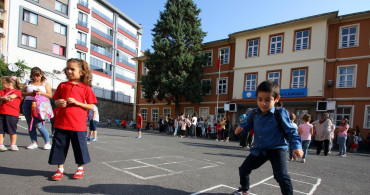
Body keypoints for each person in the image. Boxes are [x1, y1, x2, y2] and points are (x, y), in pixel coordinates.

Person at [233, 80, 303, 195]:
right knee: (243, 169)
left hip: (277, 148)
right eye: (260, 99)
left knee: (281, 176)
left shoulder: (280, 113)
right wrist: (241, 129)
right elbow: (247, 125)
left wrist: (297, 146)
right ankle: (244, 189)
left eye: (268, 100)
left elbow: (292, 132)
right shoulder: (253, 113)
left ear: (276, 99)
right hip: (260, 149)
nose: (263, 103)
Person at [48, 58, 98, 181]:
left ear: (81, 72)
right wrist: (58, 102)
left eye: (72, 69)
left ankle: (80, 168)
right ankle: (60, 169)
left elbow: (91, 106)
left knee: (79, 147)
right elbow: (55, 100)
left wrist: (77, 103)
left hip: (78, 124)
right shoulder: (62, 85)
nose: (69, 71)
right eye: (67, 68)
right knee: (59, 146)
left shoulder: (86, 88)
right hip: (61, 122)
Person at [21, 67, 52, 150]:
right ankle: (34, 142)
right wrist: (30, 93)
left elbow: (50, 95)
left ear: (41, 75)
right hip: (28, 103)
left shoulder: (45, 83)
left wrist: (41, 92)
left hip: (40, 105)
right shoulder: (28, 82)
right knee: (30, 124)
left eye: (37, 75)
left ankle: (47, 142)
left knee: (39, 124)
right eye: (34, 75)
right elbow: (21, 93)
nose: (36, 77)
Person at [0, 76, 22, 151]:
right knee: (1, 129)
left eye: (3, 83)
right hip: (2, 112)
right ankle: (1, 144)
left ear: (9, 84)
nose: (2, 85)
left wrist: (7, 97)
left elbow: (13, 96)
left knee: (12, 129)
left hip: (12, 114)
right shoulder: (2, 92)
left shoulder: (17, 92)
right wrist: (2, 98)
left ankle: (13, 144)